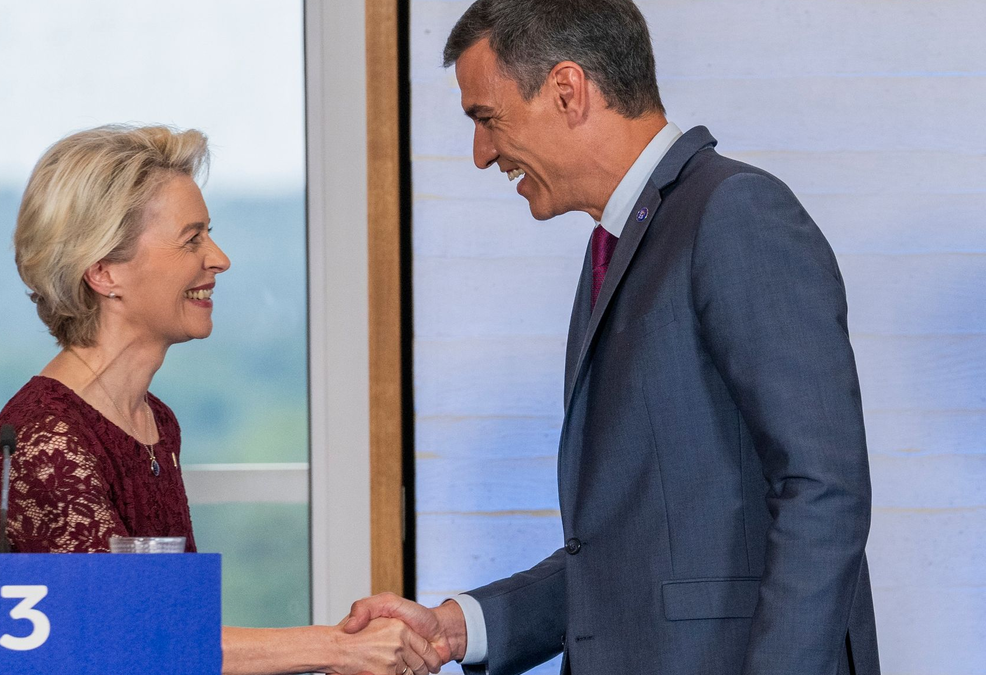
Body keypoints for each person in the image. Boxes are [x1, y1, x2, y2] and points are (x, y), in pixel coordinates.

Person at [343, 2, 880, 674]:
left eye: (486, 118)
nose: (482, 154)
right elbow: (631, 557)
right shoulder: (618, 245)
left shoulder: (736, 214)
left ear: (567, 91)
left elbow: (824, 489)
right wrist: (460, 626)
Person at [0, 125, 441, 675]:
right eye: (192, 239)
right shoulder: (49, 443)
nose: (219, 258)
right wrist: (336, 647)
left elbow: (174, 636)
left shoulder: (153, 421)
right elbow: (129, 641)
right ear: (104, 271)